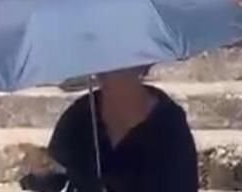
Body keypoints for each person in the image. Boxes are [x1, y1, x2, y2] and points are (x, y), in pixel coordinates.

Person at [21, 66, 199, 192]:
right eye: (105, 71)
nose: (109, 77)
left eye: (121, 69)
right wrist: (42, 172)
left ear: (140, 68)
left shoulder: (169, 125)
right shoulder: (80, 116)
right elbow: (57, 180)